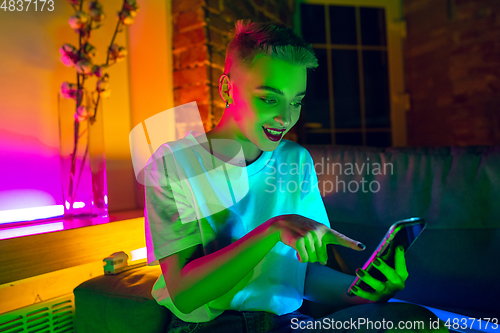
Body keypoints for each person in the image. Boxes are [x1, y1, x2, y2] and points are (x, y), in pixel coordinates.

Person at [144, 20, 448, 333]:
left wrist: (363, 292)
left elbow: (300, 276)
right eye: (269, 98)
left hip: (288, 323)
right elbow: (185, 294)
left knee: (416, 321)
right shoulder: (173, 164)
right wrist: (271, 231)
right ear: (226, 89)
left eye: (297, 101)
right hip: (212, 327)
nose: (286, 117)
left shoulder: (295, 160)